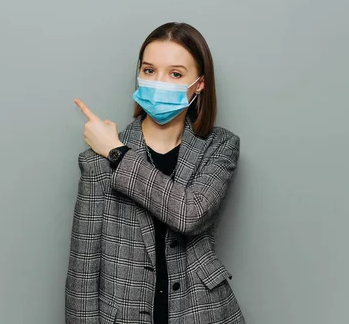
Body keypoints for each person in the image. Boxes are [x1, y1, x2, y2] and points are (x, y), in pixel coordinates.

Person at [66, 22, 245, 323]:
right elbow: (83, 272)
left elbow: (190, 213)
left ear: (199, 83)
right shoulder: (96, 163)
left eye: (175, 74)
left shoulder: (220, 146)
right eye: (149, 71)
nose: (159, 82)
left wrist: (118, 153)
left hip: (203, 313)